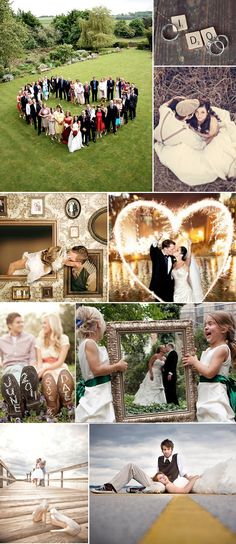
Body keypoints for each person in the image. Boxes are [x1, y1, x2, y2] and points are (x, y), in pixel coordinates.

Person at [75, 306, 128, 423]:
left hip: (101, 391)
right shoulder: (89, 343)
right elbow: (96, 370)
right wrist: (118, 366)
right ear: (98, 324)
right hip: (97, 394)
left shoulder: (87, 343)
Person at [183, 311, 236, 423]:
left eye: (211, 324)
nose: (206, 327)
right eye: (205, 325)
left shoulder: (222, 349)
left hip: (215, 394)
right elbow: (202, 372)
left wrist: (194, 362)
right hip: (205, 394)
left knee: (218, 417)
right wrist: (193, 359)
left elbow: (210, 373)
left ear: (224, 329)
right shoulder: (208, 351)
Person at [0, 313, 39, 419]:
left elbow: (32, 359)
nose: (21, 324)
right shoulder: (1, 340)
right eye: (18, 322)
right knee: (12, 374)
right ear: (9, 325)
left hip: (24, 368)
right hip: (9, 369)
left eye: (22, 322)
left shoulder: (30, 338)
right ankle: (28, 395)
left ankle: (17, 403)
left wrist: (33, 372)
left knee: (21, 371)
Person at [35, 313, 74, 419]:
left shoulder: (63, 338)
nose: (42, 325)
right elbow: (39, 361)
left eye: (45, 323)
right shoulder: (39, 339)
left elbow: (60, 361)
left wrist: (46, 368)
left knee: (62, 376)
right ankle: (53, 406)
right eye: (42, 323)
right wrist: (40, 370)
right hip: (44, 367)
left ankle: (65, 402)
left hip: (57, 366)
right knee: (48, 378)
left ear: (52, 324)